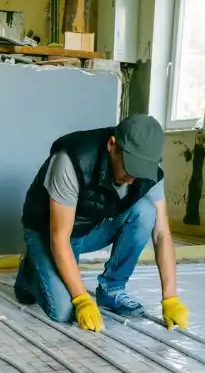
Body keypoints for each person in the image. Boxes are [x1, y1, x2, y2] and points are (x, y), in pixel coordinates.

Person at [16, 114, 190, 333]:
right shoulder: (72, 160)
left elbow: (162, 234)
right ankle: (30, 270)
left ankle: (112, 289)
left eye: (140, 171)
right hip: (48, 232)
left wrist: (171, 297)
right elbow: (59, 238)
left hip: (88, 228)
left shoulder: (149, 173)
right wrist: (81, 299)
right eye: (129, 168)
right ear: (112, 145)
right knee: (63, 311)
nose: (132, 179)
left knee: (146, 211)